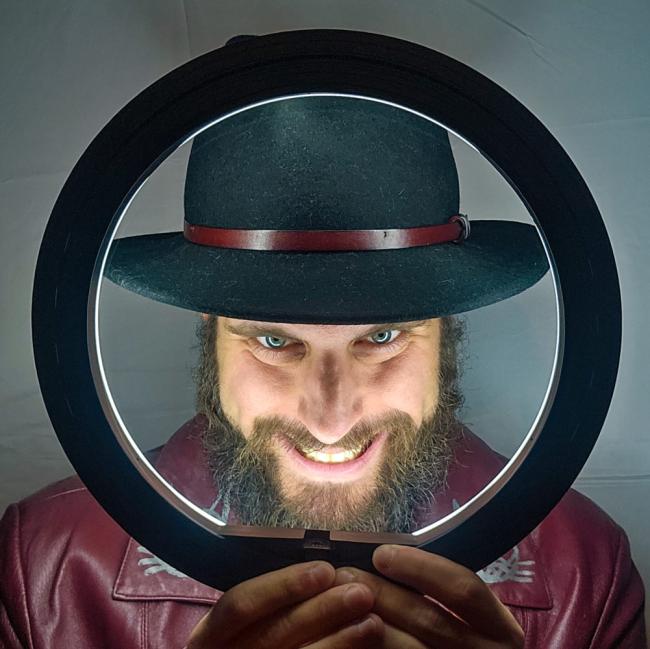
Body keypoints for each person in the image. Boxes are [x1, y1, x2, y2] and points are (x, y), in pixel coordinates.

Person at [0, 95, 646, 648]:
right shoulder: (44, 563)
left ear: (447, 331)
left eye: (383, 337)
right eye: (275, 340)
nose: (330, 419)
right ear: (209, 331)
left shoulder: (585, 567)